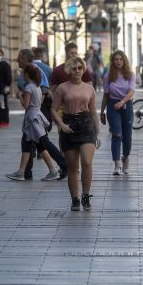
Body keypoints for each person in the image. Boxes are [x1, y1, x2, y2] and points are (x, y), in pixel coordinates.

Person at [7, 51, 68, 183]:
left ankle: (61, 165)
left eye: (19, 59)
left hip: (37, 113)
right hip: (36, 111)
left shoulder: (35, 72)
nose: (17, 61)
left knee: (42, 142)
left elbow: (44, 90)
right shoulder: (32, 77)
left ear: (25, 59)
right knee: (29, 142)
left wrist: (25, 98)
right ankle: (24, 172)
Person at [51, 56, 100, 211]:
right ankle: (75, 199)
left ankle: (86, 195)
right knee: (72, 167)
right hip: (69, 125)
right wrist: (62, 125)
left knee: (86, 161)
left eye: (80, 68)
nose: (77, 71)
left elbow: (93, 111)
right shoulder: (62, 88)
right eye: (74, 68)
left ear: (83, 69)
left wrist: (97, 132)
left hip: (86, 125)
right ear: (69, 70)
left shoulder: (89, 88)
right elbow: (53, 109)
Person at [102, 50, 138, 176]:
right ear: (112, 61)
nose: (118, 61)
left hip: (126, 105)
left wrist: (122, 102)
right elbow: (106, 95)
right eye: (116, 59)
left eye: (121, 59)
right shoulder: (108, 76)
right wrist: (102, 112)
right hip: (112, 106)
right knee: (117, 134)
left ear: (124, 61)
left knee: (127, 136)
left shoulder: (130, 75)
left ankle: (126, 158)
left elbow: (131, 92)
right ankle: (117, 164)